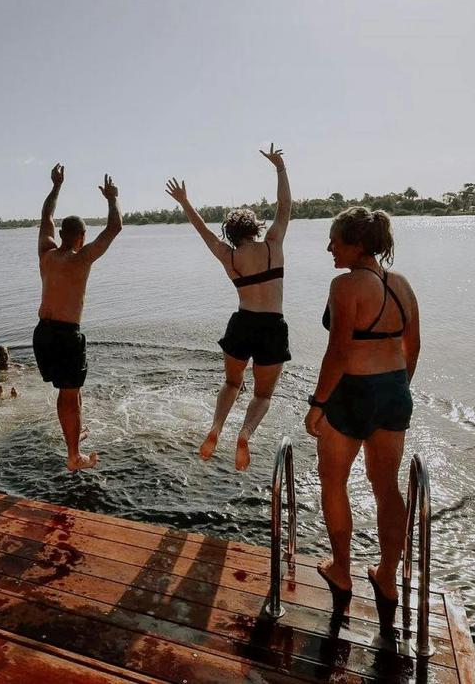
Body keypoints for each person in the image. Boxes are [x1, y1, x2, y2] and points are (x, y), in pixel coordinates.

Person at [303, 207, 421, 628]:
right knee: (387, 487)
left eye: (335, 240)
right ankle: (386, 577)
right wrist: (397, 388)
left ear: (356, 244)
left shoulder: (345, 285)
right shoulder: (402, 284)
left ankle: (341, 569)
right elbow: (413, 347)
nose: (329, 248)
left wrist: (318, 404)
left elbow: (338, 351)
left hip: (351, 392)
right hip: (394, 390)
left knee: (333, 480)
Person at [165, 144, 291, 470]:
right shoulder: (273, 245)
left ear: (232, 234)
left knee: (233, 383)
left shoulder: (229, 257)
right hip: (272, 325)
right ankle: (245, 433)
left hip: (242, 323)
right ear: (255, 227)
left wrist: (184, 202)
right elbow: (284, 206)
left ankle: (217, 426)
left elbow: (203, 231)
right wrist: (279, 167)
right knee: (262, 395)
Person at [34, 164, 122, 470]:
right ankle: (74, 456)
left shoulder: (46, 253)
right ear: (82, 237)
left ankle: (75, 435)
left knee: (71, 390)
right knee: (69, 394)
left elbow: (46, 216)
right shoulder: (82, 258)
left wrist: (56, 186)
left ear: (61, 235)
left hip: (42, 333)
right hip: (65, 335)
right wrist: (112, 198)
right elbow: (114, 228)